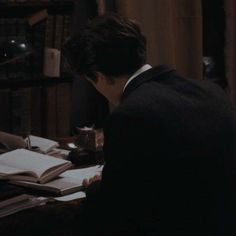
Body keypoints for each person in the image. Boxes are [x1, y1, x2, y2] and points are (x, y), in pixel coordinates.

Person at [64, 13, 236, 235]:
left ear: (99, 76)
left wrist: (95, 187)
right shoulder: (212, 91)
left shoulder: (130, 115)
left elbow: (115, 207)